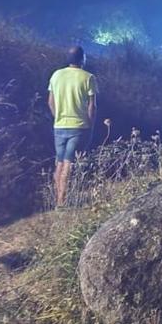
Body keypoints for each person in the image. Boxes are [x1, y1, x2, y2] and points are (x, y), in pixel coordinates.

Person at [47, 45, 97, 207]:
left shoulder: (56, 75)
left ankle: (57, 199)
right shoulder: (88, 78)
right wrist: (90, 123)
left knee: (59, 162)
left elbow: (50, 101)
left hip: (59, 126)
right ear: (83, 59)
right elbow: (92, 106)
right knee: (69, 163)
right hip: (79, 126)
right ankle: (62, 202)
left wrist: (58, 117)